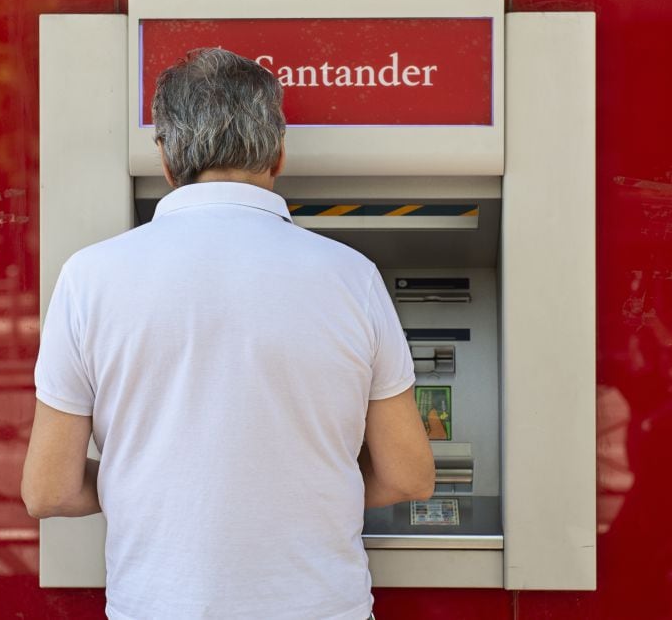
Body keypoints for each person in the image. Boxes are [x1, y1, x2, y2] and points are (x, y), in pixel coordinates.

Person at [22, 47, 435, 620]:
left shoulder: (89, 278)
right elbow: (409, 475)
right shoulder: (352, 276)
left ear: (165, 158)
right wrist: (300, 484)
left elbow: (48, 490)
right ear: (279, 154)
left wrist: (149, 480)